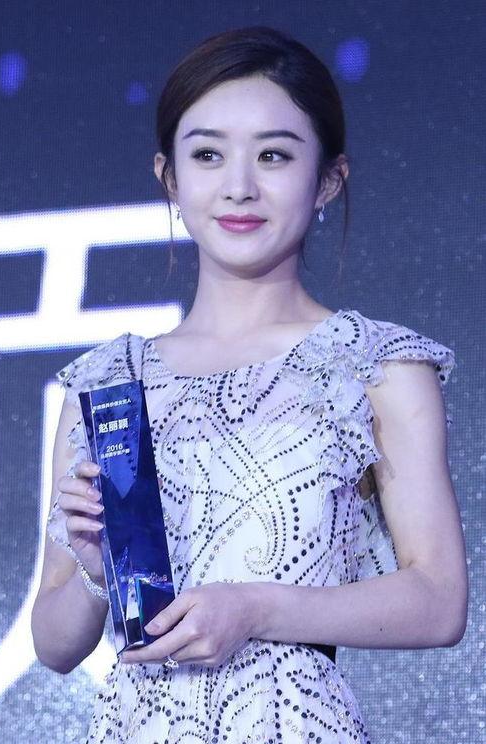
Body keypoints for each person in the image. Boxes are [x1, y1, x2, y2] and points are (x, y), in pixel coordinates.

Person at [31, 26, 468, 743]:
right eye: (207, 155)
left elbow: (439, 601)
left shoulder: (375, 366)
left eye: (273, 155)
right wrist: (93, 573)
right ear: (170, 178)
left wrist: (257, 609)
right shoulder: (108, 381)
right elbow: (53, 644)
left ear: (328, 179)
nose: (239, 186)